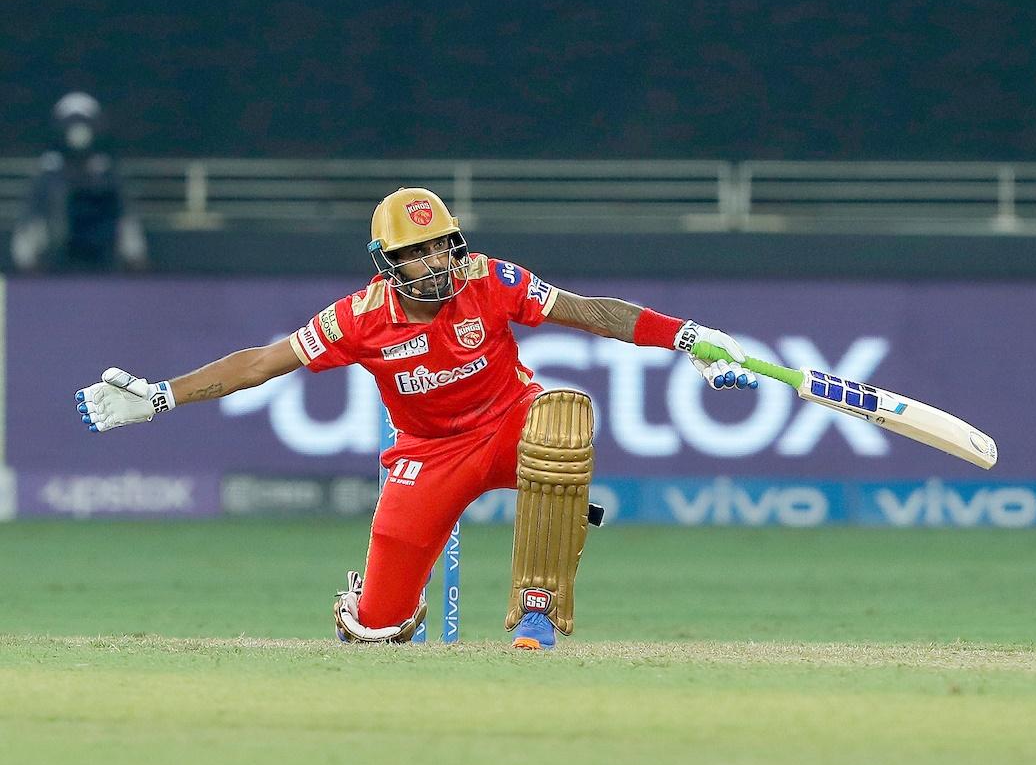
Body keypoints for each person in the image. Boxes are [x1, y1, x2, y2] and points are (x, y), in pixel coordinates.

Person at [74, 187, 756, 649]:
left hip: (511, 422)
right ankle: (368, 605)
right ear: (386, 262)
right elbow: (259, 363)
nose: (437, 263)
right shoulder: (359, 318)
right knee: (380, 634)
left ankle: (538, 610)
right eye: (418, 253)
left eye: (444, 247)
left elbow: (590, 311)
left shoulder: (489, 278)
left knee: (561, 424)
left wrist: (688, 337)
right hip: (427, 453)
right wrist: (162, 396)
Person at [11, 92, 147, 273]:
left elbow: (125, 219)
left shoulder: (106, 174)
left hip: (102, 263)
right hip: (55, 263)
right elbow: (31, 218)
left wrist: (135, 256)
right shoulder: (48, 175)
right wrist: (26, 260)